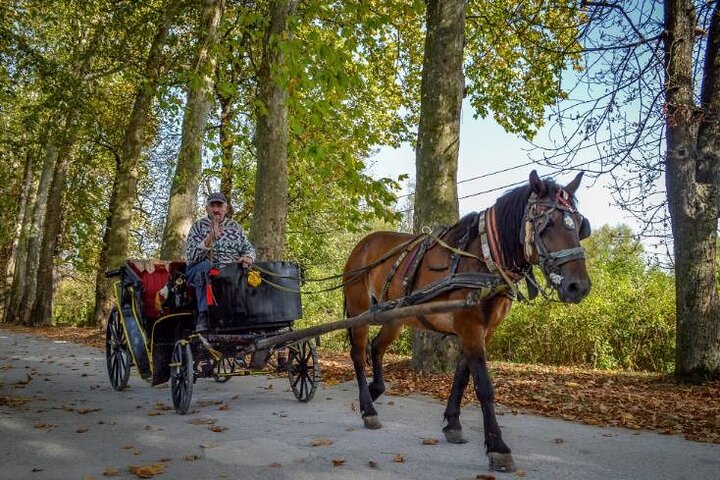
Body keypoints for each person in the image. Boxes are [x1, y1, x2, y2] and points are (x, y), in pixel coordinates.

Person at [185, 192, 255, 332]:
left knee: (252, 274)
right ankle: (204, 315)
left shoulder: (235, 227)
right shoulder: (198, 227)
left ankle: (247, 315)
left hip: (229, 271)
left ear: (226, 209)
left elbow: (249, 249)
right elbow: (191, 257)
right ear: (207, 208)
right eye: (213, 205)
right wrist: (210, 238)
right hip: (200, 270)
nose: (216, 209)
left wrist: (248, 257)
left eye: (220, 205)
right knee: (209, 268)